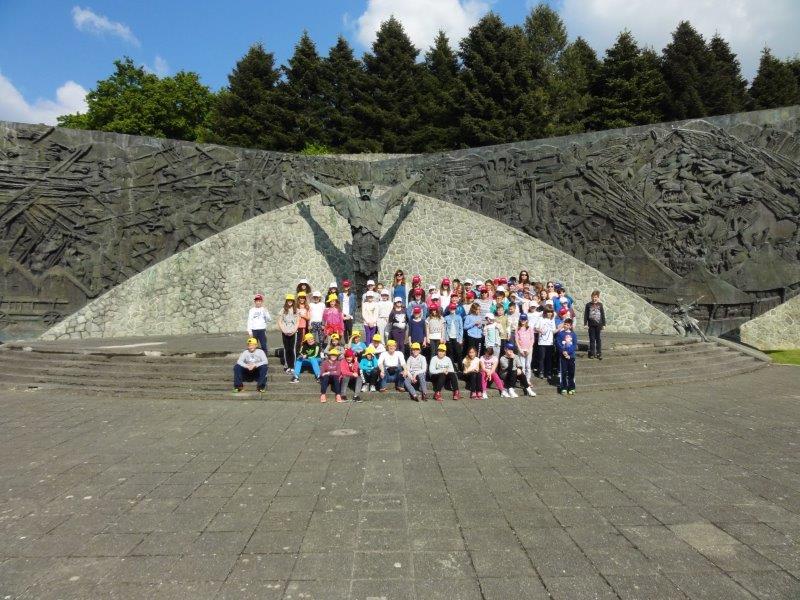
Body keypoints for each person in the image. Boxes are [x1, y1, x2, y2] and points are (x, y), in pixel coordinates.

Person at [555, 318, 577, 395]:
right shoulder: (560, 334)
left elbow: (574, 345)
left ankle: (572, 387)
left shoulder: (573, 334)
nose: (565, 326)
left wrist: (568, 353)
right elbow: (558, 343)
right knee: (563, 372)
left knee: (571, 372)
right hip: (563, 356)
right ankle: (563, 387)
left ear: (570, 326)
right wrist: (563, 351)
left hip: (571, 356)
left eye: (567, 325)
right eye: (565, 324)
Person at [278, 294, 299, 372]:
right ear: (286, 301)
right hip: (285, 332)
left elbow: (298, 321)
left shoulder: (296, 310)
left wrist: (294, 331)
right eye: (288, 300)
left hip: (293, 332)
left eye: (291, 300)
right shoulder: (283, 310)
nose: (290, 302)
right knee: (286, 349)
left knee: (292, 349)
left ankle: (293, 366)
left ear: (293, 301)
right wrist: (283, 331)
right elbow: (279, 321)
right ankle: (287, 366)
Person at [584, 290, 606, 359]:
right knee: (592, 339)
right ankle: (592, 353)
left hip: (598, 325)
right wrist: (585, 324)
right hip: (591, 325)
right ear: (591, 297)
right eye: (593, 297)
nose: (594, 298)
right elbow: (586, 315)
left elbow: (602, 315)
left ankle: (599, 353)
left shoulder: (600, 305)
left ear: (598, 297)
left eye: (595, 297)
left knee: (598, 339)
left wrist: (604, 324)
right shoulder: (588, 305)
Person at [537, 307, 556, 381]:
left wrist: (560, 328)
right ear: (545, 312)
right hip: (542, 342)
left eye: (551, 312)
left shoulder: (552, 320)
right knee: (542, 358)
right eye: (548, 312)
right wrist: (540, 330)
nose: (549, 313)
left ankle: (548, 373)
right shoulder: (541, 319)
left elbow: (553, 331)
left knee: (549, 358)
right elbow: (536, 328)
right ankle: (541, 372)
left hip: (550, 342)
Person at [444, 301, 464, 370]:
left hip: (457, 338)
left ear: (455, 309)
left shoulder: (459, 317)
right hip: (449, 338)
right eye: (451, 308)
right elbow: (445, 329)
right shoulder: (446, 317)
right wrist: (445, 338)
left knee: (458, 353)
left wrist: (460, 339)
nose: (452, 310)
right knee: (450, 353)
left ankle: (460, 368)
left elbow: (461, 328)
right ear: (449, 309)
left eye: (454, 308)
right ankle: (452, 368)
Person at [515, 313, 534, 379]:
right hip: (521, 349)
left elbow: (532, 339)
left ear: (526, 320)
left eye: (524, 319)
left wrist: (529, 349)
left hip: (529, 349)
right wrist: (520, 349)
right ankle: (523, 380)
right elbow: (516, 340)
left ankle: (528, 379)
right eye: (522, 319)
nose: (523, 320)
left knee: (528, 365)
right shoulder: (517, 329)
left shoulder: (530, 328)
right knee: (522, 365)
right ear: (520, 320)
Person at [295, 291, 310, 355]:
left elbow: (308, 318)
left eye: (303, 298)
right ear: (298, 298)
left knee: (301, 340)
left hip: (302, 326)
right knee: (296, 341)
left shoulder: (306, 307)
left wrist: (303, 316)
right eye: (300, 298)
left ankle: (299, 353)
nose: (302, 299)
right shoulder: (295, 306)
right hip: (295, 326)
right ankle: (296, 353)